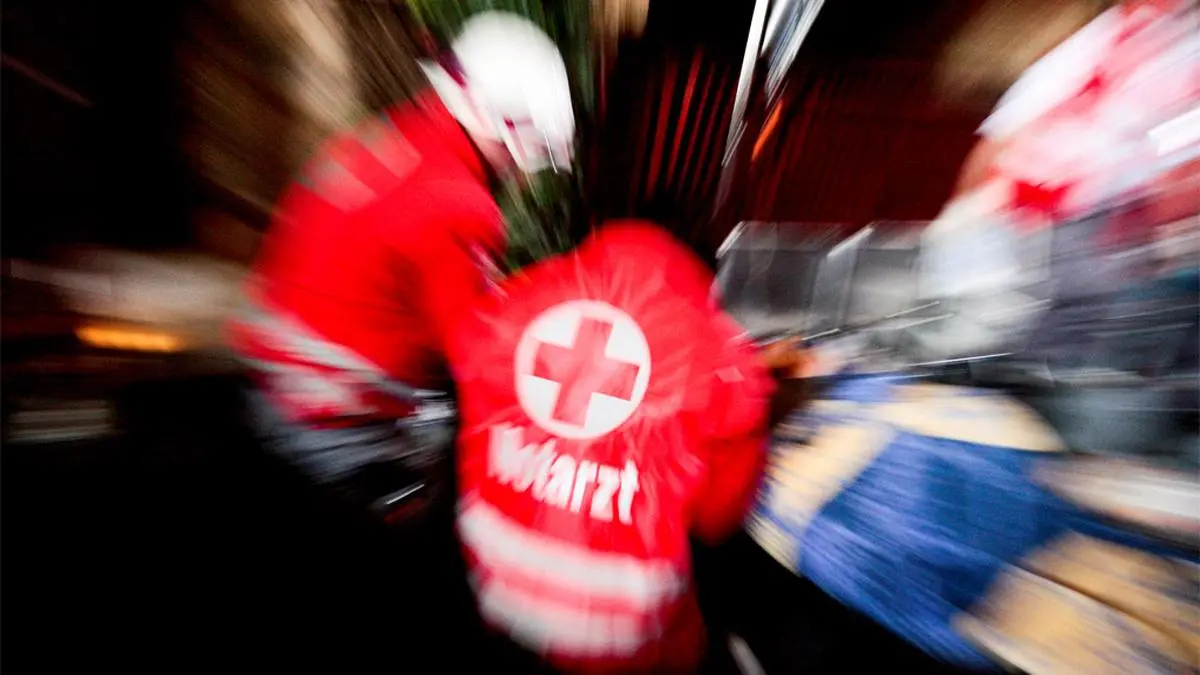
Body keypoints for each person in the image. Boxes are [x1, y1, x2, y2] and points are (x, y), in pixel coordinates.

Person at [228, 11, 574, 516]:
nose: (520, 174)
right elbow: (477, 357)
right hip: (338, 435)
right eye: (527, 154)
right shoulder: (457, 203)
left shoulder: (384, 138)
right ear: (505, 127)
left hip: (270, 389)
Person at [449, 220, 775, 673]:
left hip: (488, 583)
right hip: (621, 632)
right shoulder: (717, 352)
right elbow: (719, 516)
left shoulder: (512, 302)